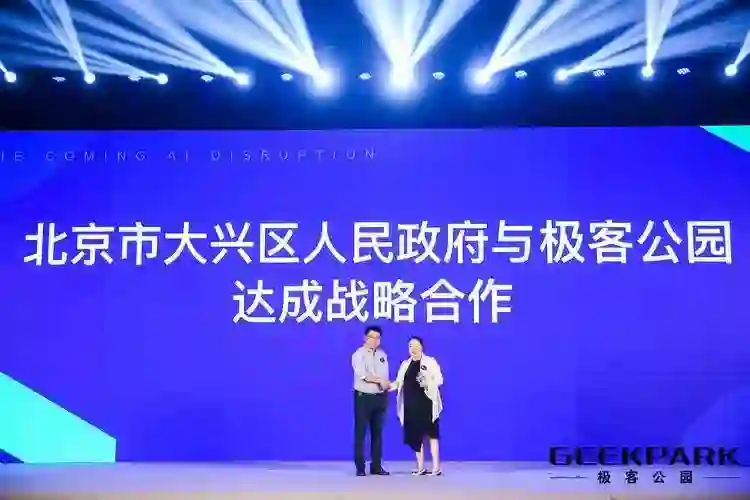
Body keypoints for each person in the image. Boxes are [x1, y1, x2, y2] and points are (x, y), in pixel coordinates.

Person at [391, 336, 444, 475]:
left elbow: (439, 380)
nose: (413, 348)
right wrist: (388, 387)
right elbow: (398, 382)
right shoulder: (405, 364)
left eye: (416, 345)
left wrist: (427, 382)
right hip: (410, 405)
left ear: (421, 347)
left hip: (427, 402)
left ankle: (436, 467)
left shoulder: (430, 362)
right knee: (415, 436)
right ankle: (420, 467)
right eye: (410, 346)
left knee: (432, 434)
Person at [351, 325, 391, 476]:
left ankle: (376, 466)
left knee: (377, 434)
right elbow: (364, 375)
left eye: (377, 338)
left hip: (380, 398)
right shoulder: (358, 355)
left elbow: (384, 376)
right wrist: (380, 380)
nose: (374, 340)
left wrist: (386, 383)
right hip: (363, 398)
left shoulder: (382, 355)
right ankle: (360, 468)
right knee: (361, 433)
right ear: (365, 338)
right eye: (371, 337)